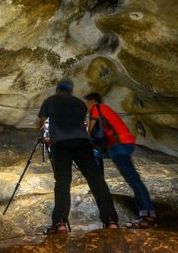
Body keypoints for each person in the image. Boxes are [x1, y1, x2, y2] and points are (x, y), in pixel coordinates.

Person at [38, 78, 119, 233]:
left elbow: (43, 120)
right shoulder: (80, 104)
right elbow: (83, 123)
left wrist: (44, 137)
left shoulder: (50, 100)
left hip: (61, 144)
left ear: (57, 89)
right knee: (95, 179)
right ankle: (111, 220)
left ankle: (60, 223)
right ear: (71, 90)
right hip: (82, 143)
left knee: (63, 181)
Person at [84, 93, 156, 229]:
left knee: (133, 180)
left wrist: (85, 131)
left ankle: (148, 216)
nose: (86, 106)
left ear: (92, 101)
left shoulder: (97, 107)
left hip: (118, 145)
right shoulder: (106, 109)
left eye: (86, 103)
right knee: (96, 154)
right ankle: (99, 184)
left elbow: (91, 130)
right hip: (122, 144)